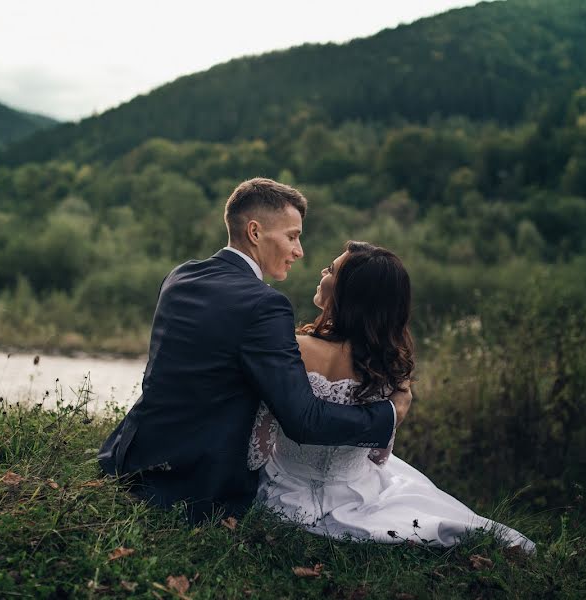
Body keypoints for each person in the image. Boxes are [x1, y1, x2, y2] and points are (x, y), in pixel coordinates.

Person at [98, 178, 412, 521]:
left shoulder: (180, 277)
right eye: (292, 236)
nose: (299, 251)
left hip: (129, 455)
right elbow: (304, 419)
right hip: (194, 483)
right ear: (255, 232)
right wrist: (389, 414)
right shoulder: (266, 306)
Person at [249, 241, 535, 551]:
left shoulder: (292, 349)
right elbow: (378, 456)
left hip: (284, 491)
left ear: (349, 291)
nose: (322, 271)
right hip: (354, 490)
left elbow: (257, 450)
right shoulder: (388, 366)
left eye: (331, 270)